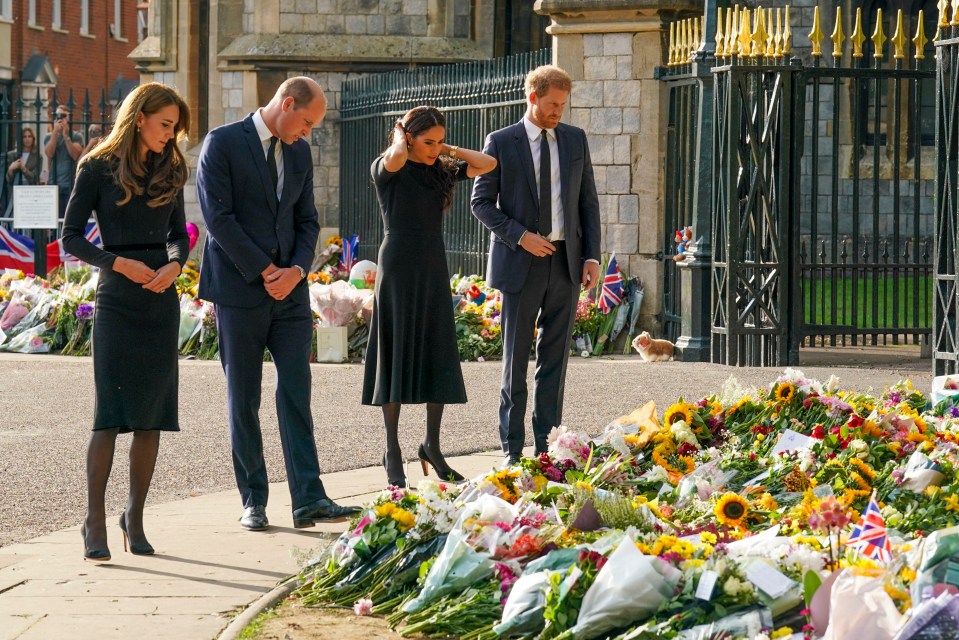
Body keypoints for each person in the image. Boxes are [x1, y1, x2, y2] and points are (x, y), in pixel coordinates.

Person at [197, 76, 360, 531]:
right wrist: (263, 271)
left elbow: (308, 220)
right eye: (306, 122)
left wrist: (296, 271)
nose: (307, 132)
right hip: (238, 290)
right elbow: (218, 218)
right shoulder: (223, 142)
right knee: (243, 398)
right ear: (287, 104)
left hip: (290, 293)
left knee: (295, 392)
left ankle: (309, 498)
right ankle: (254, 500)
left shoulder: (300, 152)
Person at [61, 83, 191, 561]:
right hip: (117, 296)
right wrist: (119, 264)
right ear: (139, 118)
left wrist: (175, 265)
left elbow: (180, 235)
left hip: (161, 297)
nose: (169, 134)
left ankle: (134, 516)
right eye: (164, 125)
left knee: (151, 418)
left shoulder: (172, 166)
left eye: (174, 127)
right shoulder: (95, 166)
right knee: (110, 417)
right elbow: (71, 237)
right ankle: (94, 519)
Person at [470, 65, 602, 466]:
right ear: (532, 97)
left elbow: (587, 202)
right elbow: (480, 203)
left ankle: (547, 446)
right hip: (519, 263)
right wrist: (520, 235)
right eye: (552, 104)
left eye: (563, 104)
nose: (558, 111)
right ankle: (512, 450)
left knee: (555, 362)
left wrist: (592, 255)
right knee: (515, 361)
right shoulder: (501, 141)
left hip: (565, 263)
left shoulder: (575, 139)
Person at [362, 106, 496, 488]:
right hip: (398, 267)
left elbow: (488, 164)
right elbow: (396, 156)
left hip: (433, 264)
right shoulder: (388, 167)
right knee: (397, 352)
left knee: (436, 351)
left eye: (439, 141)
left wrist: (444, 148)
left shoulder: (440, 168)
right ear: (406, 138)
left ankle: (431, 446)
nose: (435, 149)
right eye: (428, 141)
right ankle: (392, 450)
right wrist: (404, 135)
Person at [44, 105, 84, 217]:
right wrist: (55, 133)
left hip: (69, 183)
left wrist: (66, 136)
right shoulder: (49, 137)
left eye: (63, 116)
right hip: (54, 182)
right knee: (54, 217)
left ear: (68, 118)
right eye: (57, 116)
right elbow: (49, 154)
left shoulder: (76, 136)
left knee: (68, 216)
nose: (60, 118)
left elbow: (75, 155)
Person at [3, 127, 41, 216]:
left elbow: (34, 178)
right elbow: (8, 180)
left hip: (29, 193)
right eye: (24, 137)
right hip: (13, 192)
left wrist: (24, 169)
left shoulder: (37, 156)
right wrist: (10, 169)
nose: (27, 139)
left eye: (29, 136)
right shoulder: (11, 155)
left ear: (33, 139)